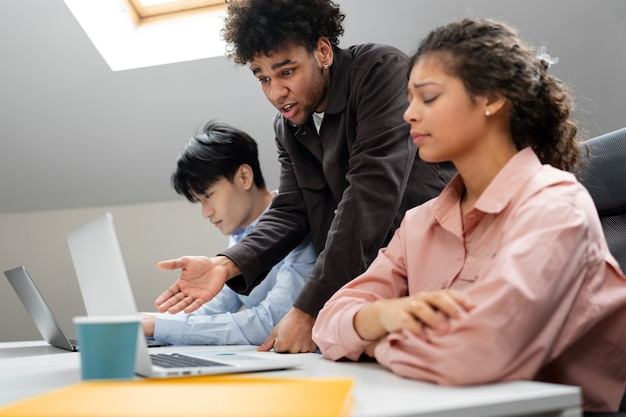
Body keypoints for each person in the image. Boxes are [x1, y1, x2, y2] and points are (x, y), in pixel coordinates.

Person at [312, 17, 626, 413]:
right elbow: (327, 323)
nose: (409, 114)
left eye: (427, 98)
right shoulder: (420, 222)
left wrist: (376, 341)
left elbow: (478, 354)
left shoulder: (555, 206)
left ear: (492, 98)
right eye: (408, 99)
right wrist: (380, 313)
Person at [154, 0, 453, 352]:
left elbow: (369, 195)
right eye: (263, 77)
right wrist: (227, 263)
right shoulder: (287, 126)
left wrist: (307, 308)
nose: (275, 93)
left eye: (286, 72)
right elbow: (290, 209)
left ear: (323, 51)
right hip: (371, 285)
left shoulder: (378, 71)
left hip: (433, 262)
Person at [142, 121, 316, 346]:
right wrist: (150, 322)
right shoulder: (239, 234)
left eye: (208, 195)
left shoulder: (298, 224)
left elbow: (275, 322)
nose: (206, 212)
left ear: (244, 177)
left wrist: (159, 326)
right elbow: (213, 309)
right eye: (199, 201)